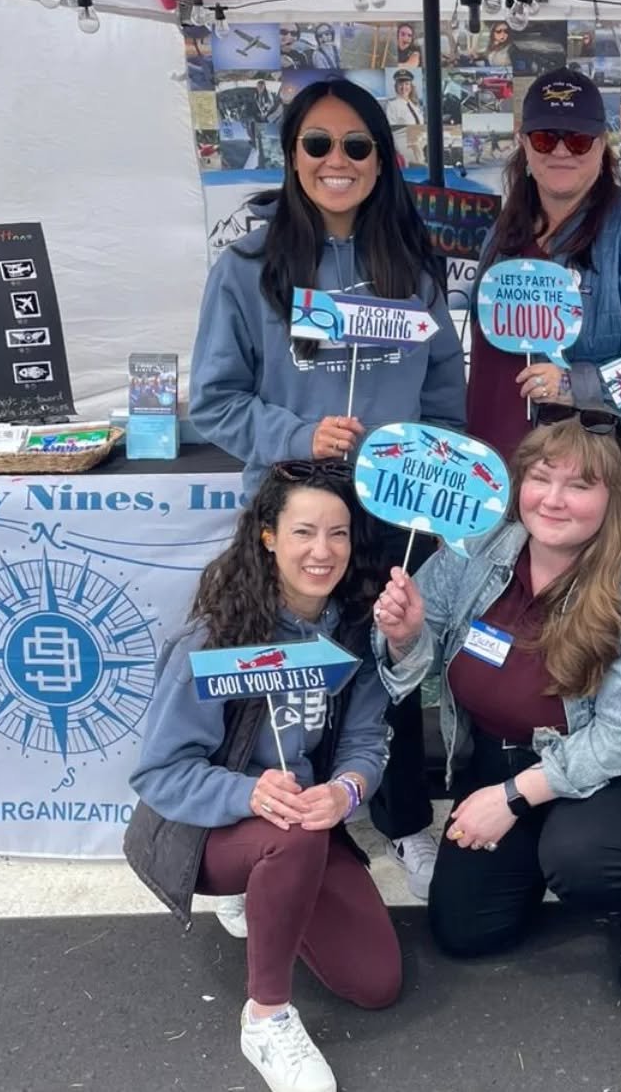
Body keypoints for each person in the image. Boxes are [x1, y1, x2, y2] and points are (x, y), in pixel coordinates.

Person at [190, 78, 465, 900]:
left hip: (388, 512)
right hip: (290, 512)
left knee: (387, 667)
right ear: (291, 156)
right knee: (278, 669)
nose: (335, 160)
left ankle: (404, 821)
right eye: (317, 143)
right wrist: (298, 435)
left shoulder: (413, 273)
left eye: (355, 145)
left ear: (380, 162)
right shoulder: (246, 269)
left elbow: (443, 402)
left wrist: (425, 473)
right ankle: (259, 837)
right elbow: (213, 401)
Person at [371, 410, 621, 1008]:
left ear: (614, 497)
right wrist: (404, 636)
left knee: (583, 857)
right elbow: (414, 655)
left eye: (579, 485)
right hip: (501, 759)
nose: (553, 499)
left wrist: (512, 799)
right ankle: (544, 850)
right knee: (465, 931)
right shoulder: (479, 545)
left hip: (618, 775)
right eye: (541, 478)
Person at [125, 461, 415, 1092]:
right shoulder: (215, 639)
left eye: (338, 533)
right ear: (268, 537)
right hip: (209, 831)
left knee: (376, 983)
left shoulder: (354, 633)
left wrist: (346, 791)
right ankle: (267, 1017)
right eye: (303, 532)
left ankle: (273, 892)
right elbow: (159, 772)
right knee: (293, 834)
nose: (322, 551)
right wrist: (247, 792)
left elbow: (365, 742)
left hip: (303, 824)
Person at [468, 66, 621, 576]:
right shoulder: (505, 231)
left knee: (614, 624)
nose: (562, 151)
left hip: (618, 497)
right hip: (519, 487)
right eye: (546, 137)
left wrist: (580, 384)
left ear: (603, 145)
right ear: (523, 142)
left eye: (579, 140)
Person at [383, 68, 425, 165]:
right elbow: (391, 130)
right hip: (404, 148)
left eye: (407, 84)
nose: (403, 87)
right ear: (396, 86)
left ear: (411, 86)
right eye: (400, 84)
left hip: (419, 144)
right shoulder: (392, 105)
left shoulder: (414, 105)